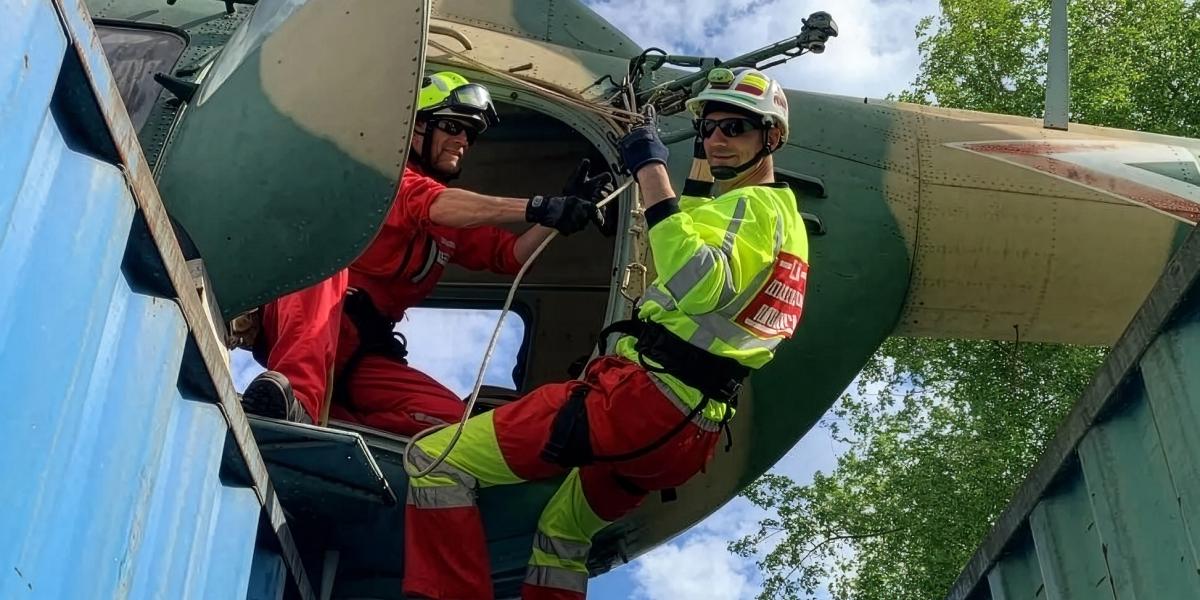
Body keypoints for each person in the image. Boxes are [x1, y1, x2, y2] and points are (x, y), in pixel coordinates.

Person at [401, 67, 810, 600]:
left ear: (771, 137)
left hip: (641, 405)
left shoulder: (751, 206)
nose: (716, 140)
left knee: (432, 461)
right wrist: (684, 179)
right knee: (562, 537)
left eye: (735, 128)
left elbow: (693, 278)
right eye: (709, 128)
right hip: (690, 434)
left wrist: (650, 167)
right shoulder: (786, 222)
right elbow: (697, 235)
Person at [240, 71, 611, 433]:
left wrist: (558, 219)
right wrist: (538, 206)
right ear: (417, 128)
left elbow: (511, 254)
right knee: (323, 264)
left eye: (469, 133)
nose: (463, 140)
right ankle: (296, 405)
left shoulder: (449, 224)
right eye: (452, 127)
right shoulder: (385, 180)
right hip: (311, 323)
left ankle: (331, 420)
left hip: (363, 352)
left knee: (452, 426)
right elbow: (432, 204)